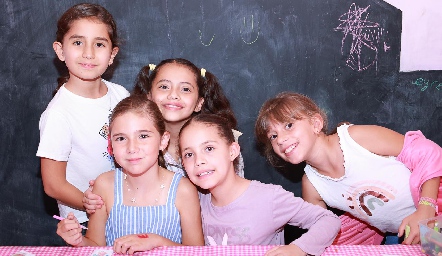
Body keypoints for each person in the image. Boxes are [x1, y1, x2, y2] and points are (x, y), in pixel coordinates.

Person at [254, 91, 442, 245]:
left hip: (434, 207)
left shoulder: (355, 139)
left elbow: (429, 152)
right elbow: (321, 229)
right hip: (405, 233)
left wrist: (426, 208)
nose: (280, 139)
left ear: (315, 123)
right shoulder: (312, 185)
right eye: (273, 136)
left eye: (289, 125)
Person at [83, 58, 244, 213]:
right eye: (164, 87)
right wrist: (96, 197)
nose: (173, 95)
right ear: (149, 96)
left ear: (199, 103)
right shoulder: (135, 146)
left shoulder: (221, 143)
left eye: (185, 89)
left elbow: (235, 198)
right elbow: (117, 186)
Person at [56, 95, 204, 254]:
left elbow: (197, 252)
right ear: (110, 144)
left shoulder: (183, 190)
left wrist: (157, 242)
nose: (132, 148)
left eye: (143, 136)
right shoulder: (105, 185)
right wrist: (78, 241)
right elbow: (95, 246)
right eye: (121, 138)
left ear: (163, 140)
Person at [178, 114, 341, 256]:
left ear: (232, 151)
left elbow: (328, 220)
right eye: (189, 154)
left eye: (209, 148)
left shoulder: (268, 198)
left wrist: (298, 249)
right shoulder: (194, 201)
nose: (199, 161)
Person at [36, 3, 129, 226]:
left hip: (126, 213)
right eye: (78, 43)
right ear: (60, 50)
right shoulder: (59, 114)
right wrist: (90, 203)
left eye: (99, 44)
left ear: (112, 54)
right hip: (87, 221)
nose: (88, 53)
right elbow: (53, 184)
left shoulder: (121, 95)